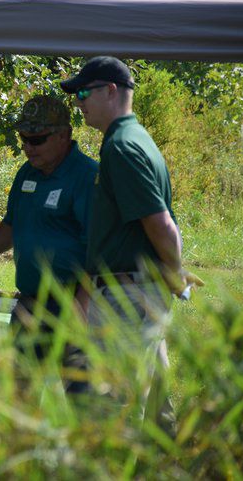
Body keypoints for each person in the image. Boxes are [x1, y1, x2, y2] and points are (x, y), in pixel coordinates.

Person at [60, 55, 202, 428]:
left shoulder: (122, 147)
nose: (79, 104)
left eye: (83, 94)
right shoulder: (132, 140)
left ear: (111, 91)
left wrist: (174, 272)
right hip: (134, 290)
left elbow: (161, 224)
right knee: (156, 408)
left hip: (128, 297)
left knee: (115, 407)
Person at [0, 95, 98, 387]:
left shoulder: (87, 177)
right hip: (30, 303)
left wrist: (83, 305)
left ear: (64, 135)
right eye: (23, 138)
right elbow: (12, 226)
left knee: (81, 402)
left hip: (72, 304)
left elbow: (99, 248)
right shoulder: (27, 173)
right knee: (19, 397)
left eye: (36, 139)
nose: (27, 146)